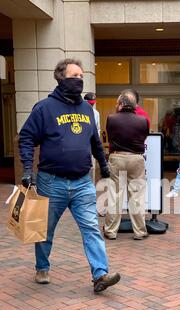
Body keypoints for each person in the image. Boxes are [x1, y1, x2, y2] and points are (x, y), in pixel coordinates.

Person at [19, 58, 121, 294]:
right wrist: (27, 169)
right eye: (74, 76)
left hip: (82, 182)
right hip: (51, 181)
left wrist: (104, 167)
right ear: (61, 78)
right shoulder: (44, 108)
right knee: (45, 229)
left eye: (81, 76)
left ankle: (100, 275)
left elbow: (95, 141)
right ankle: (42, 267)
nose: (79, 80)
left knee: (92, 229)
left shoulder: (87, 110)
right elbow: (26, 138)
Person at [104, 92, 149, 240]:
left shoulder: (111, 119)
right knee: (137, 196)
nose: (116, 106)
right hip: (136, 158)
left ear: (122, 104)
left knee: (114, 196)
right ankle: (140, 231)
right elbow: (144, 137)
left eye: (117, 103)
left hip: (116, 157)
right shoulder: (143, 120)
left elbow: (110, 137)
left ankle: (111, 231)